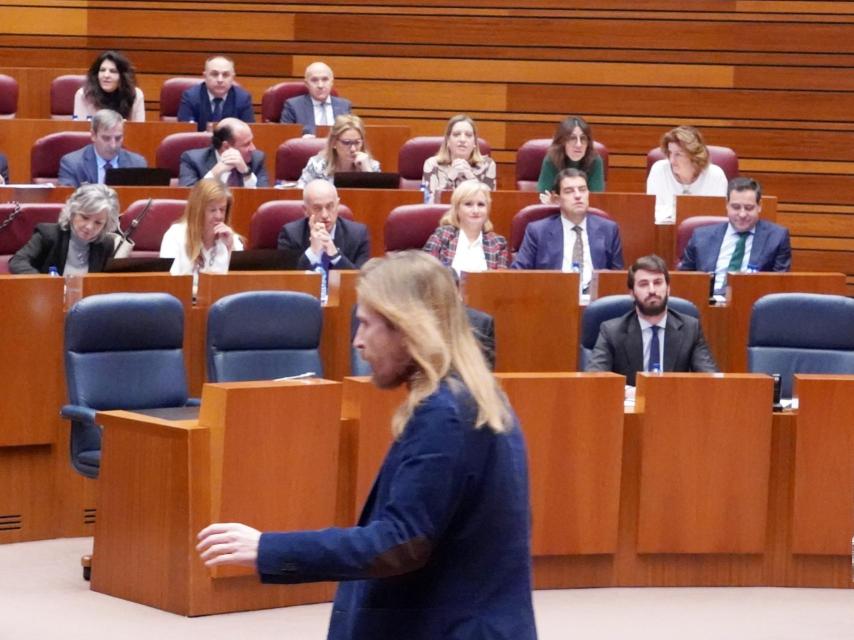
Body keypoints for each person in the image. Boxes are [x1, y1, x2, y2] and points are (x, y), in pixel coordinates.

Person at [196, 251, 536, 640]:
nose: (357, 342)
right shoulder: (477, 399)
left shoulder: (445, 414)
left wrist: (268, 548)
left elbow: (400, 541)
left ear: (407, 328)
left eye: (366, 324)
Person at [586, 254, 718, 387]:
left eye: (658, 282)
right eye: (643, 284)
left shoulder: (690, 328)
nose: (652, 290)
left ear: (668, 289)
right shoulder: (612, 331)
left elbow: (710, 380)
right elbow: (595, 380)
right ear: (632, 293)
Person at [512, 168, 624, 293]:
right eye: (569, 191)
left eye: (582, 189)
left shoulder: (609, 229)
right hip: (552, 297)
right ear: (557, 199)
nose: (577, 196)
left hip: (596, 301)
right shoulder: (537, 231)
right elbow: (518, 275)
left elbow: (617, 277)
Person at [679, 176, 792, 295]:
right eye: (736, 207)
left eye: (748, 208)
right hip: (707, 303)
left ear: (759, 206)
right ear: (726, 205)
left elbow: (779, 287)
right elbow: (684, 282)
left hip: (751, 304)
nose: (742, 214)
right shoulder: (701, 236)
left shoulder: (777, 238)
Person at [9, 184, 119, 275]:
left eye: (98, 223)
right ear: (72, 212)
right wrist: (46, 283)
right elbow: (17, 262)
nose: (89, 226)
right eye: (85, 217)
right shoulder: (48, 234)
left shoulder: (106, 244)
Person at [277, 179, 370, 270]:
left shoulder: (358, 234)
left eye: (330, 206)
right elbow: (288, 279)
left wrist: (335, 255)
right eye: (317, 208)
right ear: (305, 210)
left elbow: (361, 280)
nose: (325, 215)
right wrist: (312, 252)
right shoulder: (290, 234)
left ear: (337, 205)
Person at [159, 179, 242, 276]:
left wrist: (230, 248)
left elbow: (240, 283)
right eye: (212, 210)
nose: (219, 216)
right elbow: (170, 281)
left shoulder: (232, 240)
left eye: (222, 210)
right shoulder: (175, 236)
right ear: (198, 211)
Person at [423, 180, 509, 273]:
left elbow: (501, 283)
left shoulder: (498, 244)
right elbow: (426, 275)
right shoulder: (442, 236)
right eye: (468, 204)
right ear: (457, 209)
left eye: (481, 205)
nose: (475, 210)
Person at [646, 125, 728, 222]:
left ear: (694, 156)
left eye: (678, 154)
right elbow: (652, 214)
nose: (672, 160)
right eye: (670, 153)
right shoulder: (659, 170)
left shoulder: (715, 175)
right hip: (665, 234)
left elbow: (716, 218)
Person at [58, 109, 147, 187]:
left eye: (118, 138)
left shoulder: (137, 164)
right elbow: (68, 200)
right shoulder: (73, 164)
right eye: (106, 138)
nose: (113, 145)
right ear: (93, 135)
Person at [421, 114, 496, 204]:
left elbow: (489, 205)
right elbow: (429, 204)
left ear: (474, 143)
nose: (462, 139)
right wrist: (451, 176)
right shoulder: (432, 164)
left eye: (468, 135)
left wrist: (470, 177)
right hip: (441, 217)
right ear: (448, 141)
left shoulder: (487, 165)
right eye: (456, 134)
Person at [178, 117, 268, 187]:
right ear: (226, 146)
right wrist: (214, 173)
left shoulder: (256, 159)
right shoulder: (192, 160)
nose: (253, 148)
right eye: (246, 144)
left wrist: (246, 173)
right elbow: (189, 198)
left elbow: (262, 198)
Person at [296, 114, 379, 188]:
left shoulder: (371, 166)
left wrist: (367, 172)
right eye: (346, 143)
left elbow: (378, 200)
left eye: (357, 142)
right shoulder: (317, 166)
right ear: (334, 142)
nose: (353, 149)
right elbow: (299, 194)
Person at [177, 55, 254, 132]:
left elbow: (247, 134)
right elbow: (185, 133)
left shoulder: (243, 99)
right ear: (205, 76)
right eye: (214, 74)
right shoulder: (191, 97)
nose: (220, 80)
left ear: (232, 77)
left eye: (225, 75)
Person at [537, 115, 605, 198]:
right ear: (562, 142)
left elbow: (596, 200)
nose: (579, 144)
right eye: (572, 138)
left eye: (583, 139)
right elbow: (543, 197)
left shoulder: (595, 160)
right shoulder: (552, 159)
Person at [280, 61, 352, 136]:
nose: (320, 85)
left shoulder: (344, 106)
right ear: (307, 84)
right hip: (306, 147)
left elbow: (350, 135)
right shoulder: (293, 106)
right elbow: (285, 137)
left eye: (325, 79)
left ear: (332, 82)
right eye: (314, 80)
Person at [73, 50, 145, 122]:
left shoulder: (135, 95)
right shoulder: (84, 94)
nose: (106, 75)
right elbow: (79, 129)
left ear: (123, 76)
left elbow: (140, 130)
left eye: (113, 71)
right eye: (102, 70)